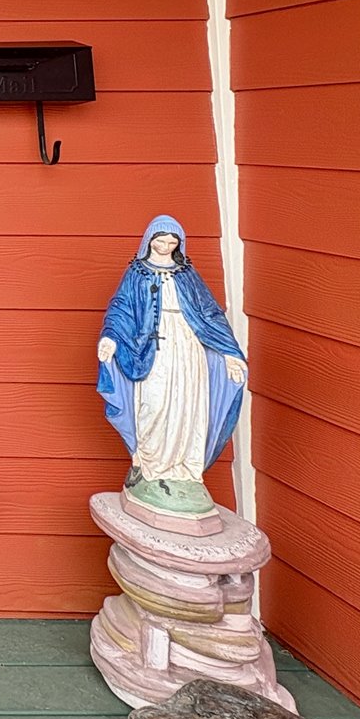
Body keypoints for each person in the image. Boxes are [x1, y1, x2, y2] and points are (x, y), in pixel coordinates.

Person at [96, 215, 247, 519]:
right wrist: (111, 338)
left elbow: (210, 314)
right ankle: (152, 466)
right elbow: (121, 309)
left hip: (188, 346)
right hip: (151, 349)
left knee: (187, 405)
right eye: (160, 241)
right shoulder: (137, 274)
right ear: (149, 241)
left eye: (171, 242)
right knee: (154, 404)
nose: (165, 247)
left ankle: (186, 471)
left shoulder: (187, 275)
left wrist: (230, 353)